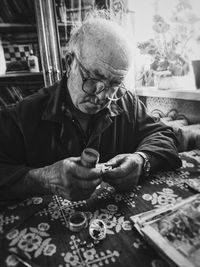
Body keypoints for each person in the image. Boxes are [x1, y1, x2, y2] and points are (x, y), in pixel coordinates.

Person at [0, 16, 182, 201]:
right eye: (93, 78)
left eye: (115, 83)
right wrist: (42, 180)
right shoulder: (23, 115)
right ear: (69, 63)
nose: (103, 95)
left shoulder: (127, 103)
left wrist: (142, 160)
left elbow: (165, 136)